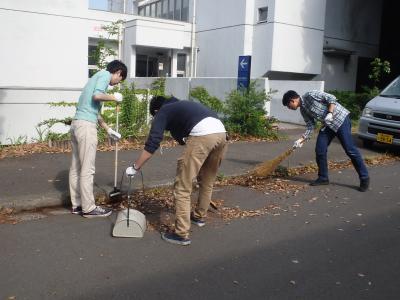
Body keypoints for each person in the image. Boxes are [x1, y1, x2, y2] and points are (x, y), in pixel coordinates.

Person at [126, 96, 227, 246]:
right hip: (222, 134)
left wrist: (135, 167)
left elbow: (153, 142)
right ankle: (199, 217)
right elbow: (181, 136)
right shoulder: (181, 106)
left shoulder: (163, 111)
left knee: (182, 188)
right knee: (207, 181)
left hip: (203, 136)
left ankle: (181, 234)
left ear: (156, 110)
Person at [69, 60, 127, 218]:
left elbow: (94, 111)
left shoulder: (93, 80)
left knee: (76, 167)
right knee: (87, 168)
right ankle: (89, 208)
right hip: (86, 127)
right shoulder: (105, 75)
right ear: (118, 73)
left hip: (77, 124)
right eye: (119, 80)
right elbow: (97, 96)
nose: (116, 84)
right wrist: (114, 97)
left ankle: (77, 205)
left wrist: (108, 129)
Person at [282, 90, 370, 192]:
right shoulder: (303, 110)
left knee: (350, 149)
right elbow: (311, 126)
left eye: (288, 106)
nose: (289, 108)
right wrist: (301, 140)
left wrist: (330, 113)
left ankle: (364, 178)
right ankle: (323, 177)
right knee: (320, 150)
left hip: (340, 120)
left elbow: (331, 98)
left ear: (292, 101)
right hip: (328, 125)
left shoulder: (310, 95)